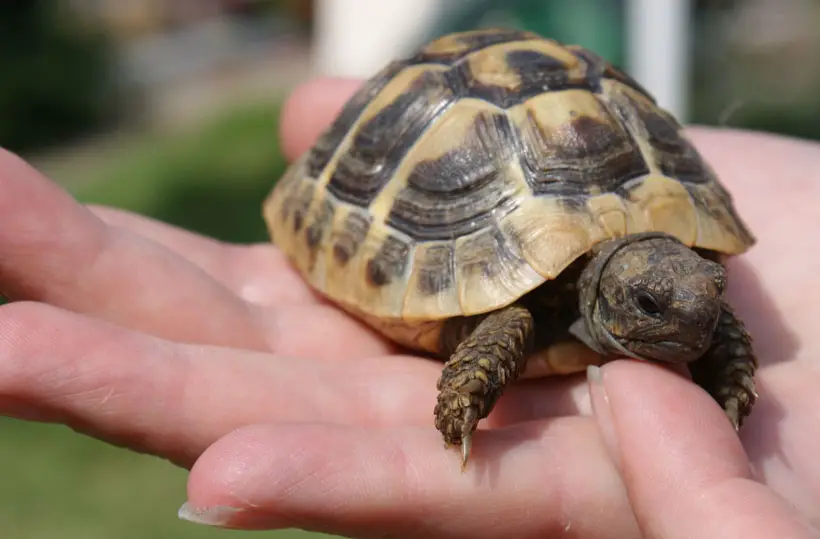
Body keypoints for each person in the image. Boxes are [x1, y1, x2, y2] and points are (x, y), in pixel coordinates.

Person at [0, 77, 818, 539]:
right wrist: (473, 381)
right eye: (654, 304)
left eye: (703, 297)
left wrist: (723, 351)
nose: (693, 317)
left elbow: (695, 302)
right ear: (612, 290)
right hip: (449, 200)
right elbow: (507, 317)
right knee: (507, 321)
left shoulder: (685, 287)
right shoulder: (517, 313)